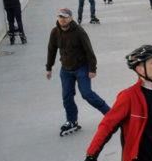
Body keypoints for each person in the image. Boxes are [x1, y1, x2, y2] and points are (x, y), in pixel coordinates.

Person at [46, 8, 110, 136]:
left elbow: (89, 50)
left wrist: (92, 69)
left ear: (70, 18)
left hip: (82, 67)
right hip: (66, 70)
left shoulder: (79, 32)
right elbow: (51, 50)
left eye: (64, 17)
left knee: (86, 94)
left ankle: (111, 114)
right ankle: (72, 121)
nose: (62, 19)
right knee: (67, 97)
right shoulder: (55, 32)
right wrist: (49, 67)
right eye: (60, 17)